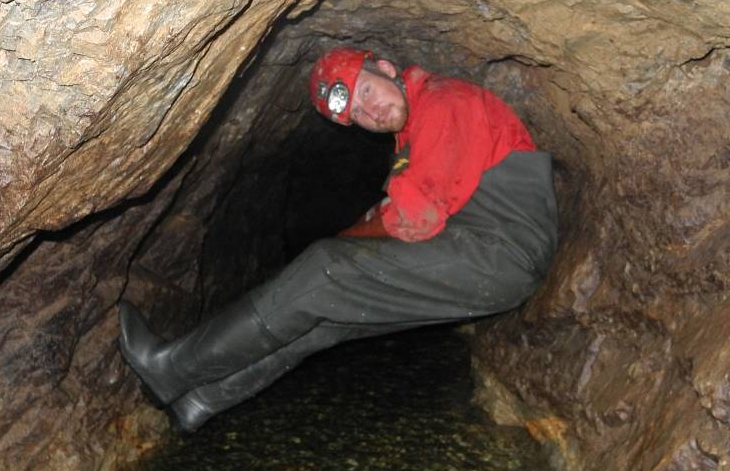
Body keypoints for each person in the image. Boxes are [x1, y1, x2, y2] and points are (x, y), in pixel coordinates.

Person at [118, 47, 557, 432]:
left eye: (366, 92)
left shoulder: (444, 101)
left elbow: (412, 218)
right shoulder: (410, 134)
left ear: (385, 67)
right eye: (358, 116)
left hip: (499, 252)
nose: (371, 113)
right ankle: (203, 400)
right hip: (485, 261)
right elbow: (401, 210)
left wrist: (344, 244)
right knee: (330, 319)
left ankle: (171, 369)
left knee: (326, 268)